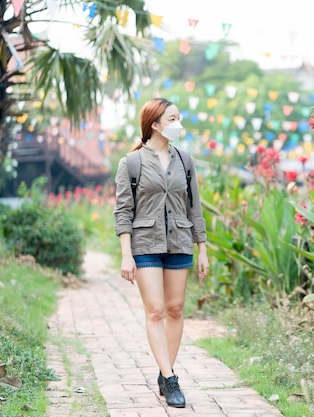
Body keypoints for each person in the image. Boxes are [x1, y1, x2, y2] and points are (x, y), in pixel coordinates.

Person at [113, 98, 209, 408]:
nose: (179, 123)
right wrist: (126, 255)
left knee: (176, 308)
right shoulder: (132, 163)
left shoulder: (185, 160)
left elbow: (195, 207)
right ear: (155, 124)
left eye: (179, 117)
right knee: (155, 310)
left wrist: (202, 248)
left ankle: (163, 370)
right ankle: (170, 379)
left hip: (179, 241)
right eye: (173, 118)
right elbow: (123, 211)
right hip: (144, 246)